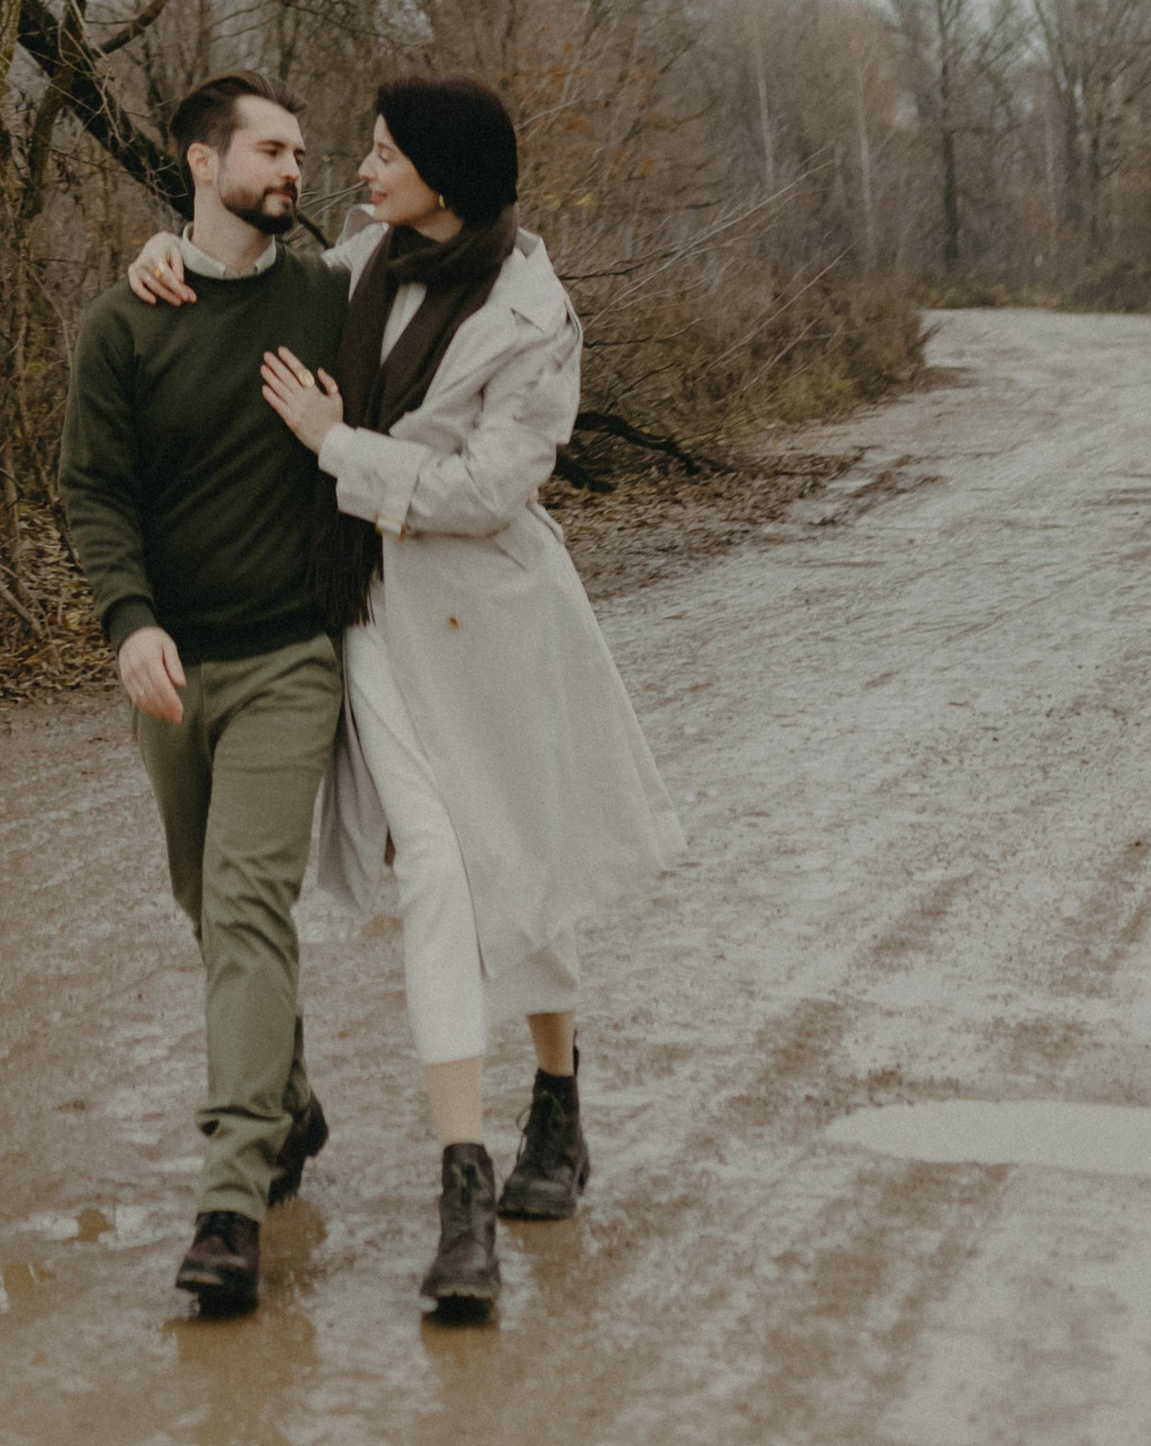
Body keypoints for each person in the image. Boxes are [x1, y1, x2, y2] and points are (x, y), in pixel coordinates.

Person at [127, 76, 683, 1319]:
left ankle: (556, 1098)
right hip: (372, 610)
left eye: (382, 154)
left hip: (488, 616)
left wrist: (338, 450)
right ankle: (461, 1188)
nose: (357, 171)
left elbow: (490, 489)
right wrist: (167, 247)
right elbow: (242, 275)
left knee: (519, 859)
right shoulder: (363, 264)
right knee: (439, 864)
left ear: (445, 174)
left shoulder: (533, 316)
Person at [57, 72, 353, 1315]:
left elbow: (456, 278)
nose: (294, 170)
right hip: (174, 667)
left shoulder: (331, 300)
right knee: (206, 901)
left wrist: (344, 435)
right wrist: (128, 625)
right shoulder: (125, 325)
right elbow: (94, 495)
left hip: (291, 658)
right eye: (271, 150)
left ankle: (229, 1206)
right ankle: (285, 1093)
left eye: (300, 152)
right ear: (199, 161)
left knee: (242, 907)